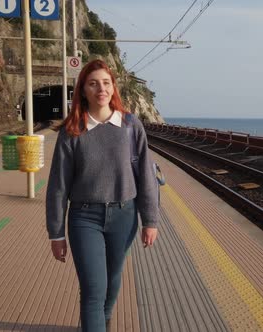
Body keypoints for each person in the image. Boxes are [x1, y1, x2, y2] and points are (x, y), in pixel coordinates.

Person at [46, 59, 159, 332]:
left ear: (113, 88)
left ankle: (102, 323)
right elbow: (58, 186)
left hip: (125, 215)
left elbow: (145, 175)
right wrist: (56, 233)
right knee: (93, 290)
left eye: (106, 83)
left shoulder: (131, 126)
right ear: (83, 89)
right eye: (93, 83)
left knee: (113, 280)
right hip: (85, 218)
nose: (101, 89)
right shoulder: (72, 131)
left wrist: (150, 220)